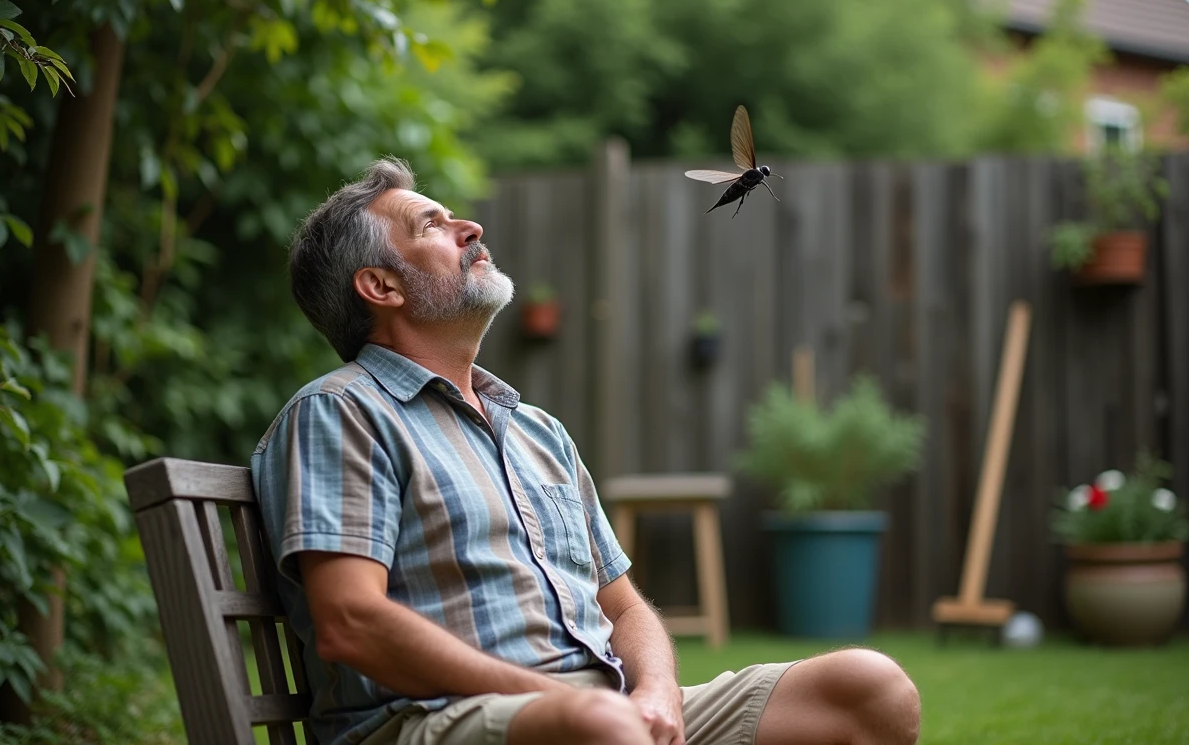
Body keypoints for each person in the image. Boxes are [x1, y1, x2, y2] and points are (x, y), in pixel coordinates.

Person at [252, 158, 921, 745]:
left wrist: (654, 696)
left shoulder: (537, 431)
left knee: (869, 687)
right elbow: (350, 622)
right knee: (601, 727)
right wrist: (566, 703)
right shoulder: (342, 412)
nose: (471, 228)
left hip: (602, 715)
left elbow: (626, 608)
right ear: (381, 288)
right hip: (437, 720)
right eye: (432, 225)